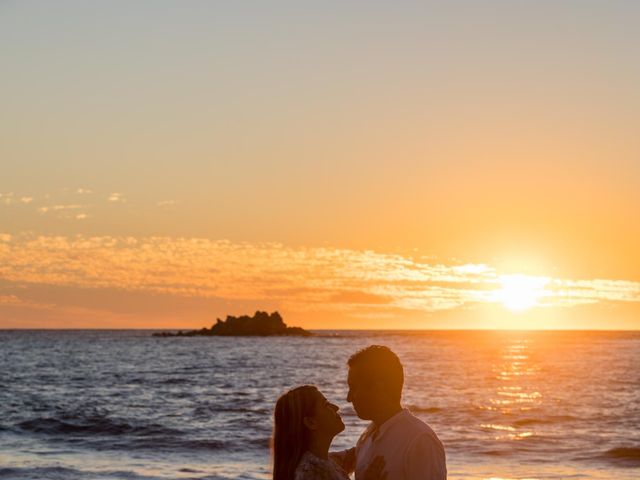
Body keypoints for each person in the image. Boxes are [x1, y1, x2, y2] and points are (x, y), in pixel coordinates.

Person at [346, 345, 447, 480]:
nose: (348, 398)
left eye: (353, 388)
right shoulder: (368, 437)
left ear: (378, 387)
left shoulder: (419, 440)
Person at [273, 385, 385, 480]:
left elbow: (355, 454)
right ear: (311, 422)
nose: (336, 407)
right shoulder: (310, 474)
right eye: (326, 405)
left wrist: (380, 422)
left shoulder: (324, 462)